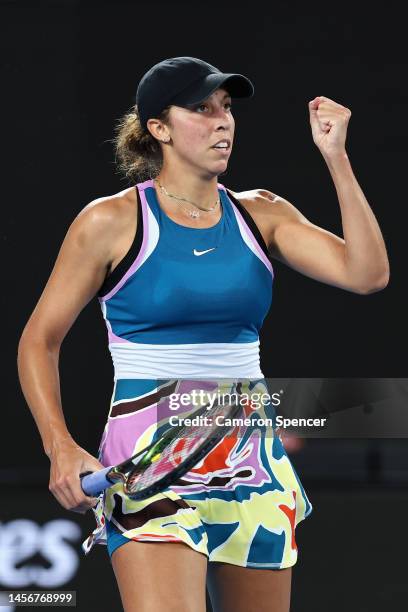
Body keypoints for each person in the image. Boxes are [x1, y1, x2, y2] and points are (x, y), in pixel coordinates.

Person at [17, 56, 389, 612]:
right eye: (201, 109)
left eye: (226, 109)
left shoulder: (262, 214)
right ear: (158, 129)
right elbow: (37, 342)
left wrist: (336, 158)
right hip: (150, 462)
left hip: (251, 456)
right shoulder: (109, 222)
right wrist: (60, 446)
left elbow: (367, 274)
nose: (222, 122)